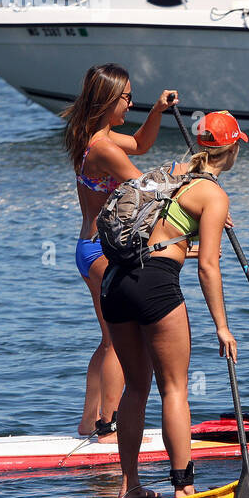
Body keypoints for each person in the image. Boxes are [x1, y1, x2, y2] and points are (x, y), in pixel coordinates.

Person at [101, 110, 244, 498]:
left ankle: (130, 486)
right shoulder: (213, 194)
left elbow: (166, 243)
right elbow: (210, 268)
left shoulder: (173, 175)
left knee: (136, 388)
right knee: (174, 389)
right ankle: (184, 490)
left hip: (115, 282)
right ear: (231, 150)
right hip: (155, 288)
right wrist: (222, 326)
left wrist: (197, 238)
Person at [59, 64, 178, 439]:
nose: (131, 103)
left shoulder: (94, 136)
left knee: (108, 338)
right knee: (120, 339)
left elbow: (141, 145)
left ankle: (88, 421)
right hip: (101, 252)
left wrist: (155, 112)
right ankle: (107, 423)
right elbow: (147, 190)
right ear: (109, 99)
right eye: (127, 97)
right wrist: (198, 193)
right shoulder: (105, 148)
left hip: (88, 248)